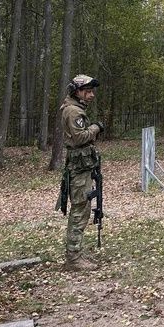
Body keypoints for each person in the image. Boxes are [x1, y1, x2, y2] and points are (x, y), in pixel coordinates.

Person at [58, 74, 104, 272]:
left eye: (92, 91)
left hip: (83, 167)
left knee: (83, 208)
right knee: (79, 210)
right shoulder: (73, 112)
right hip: (78, 169)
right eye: (88, 91)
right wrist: (96, 127)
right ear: (77, 92)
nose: (91, 95)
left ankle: (76, 252)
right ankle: (73, 259)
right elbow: (80, 138)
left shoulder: (76, 109)